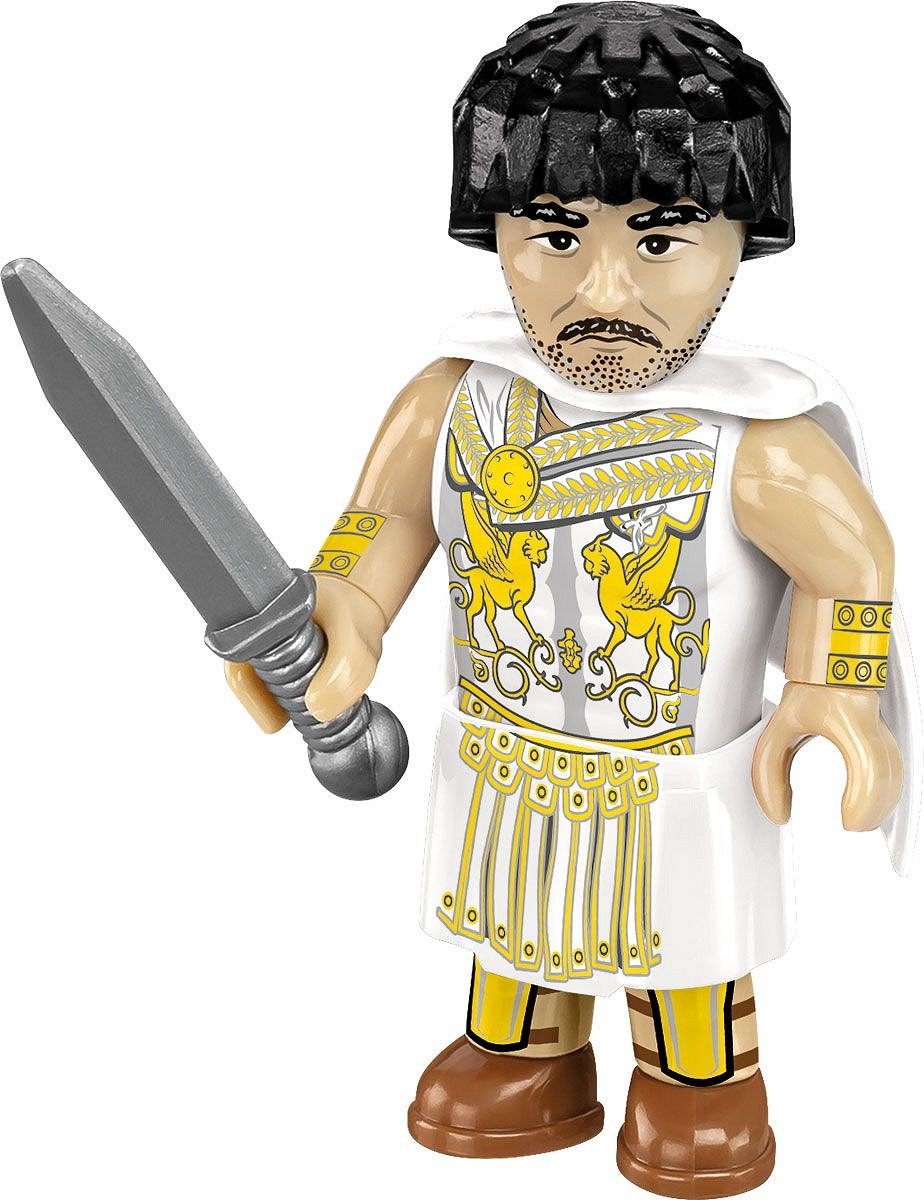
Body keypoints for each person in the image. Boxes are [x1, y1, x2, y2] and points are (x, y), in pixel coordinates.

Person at [226, 4, 919, 1194]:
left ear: (737, 239)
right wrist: (342, 611)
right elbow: (384, 521)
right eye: (554, 234)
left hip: (674, 769)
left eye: (659, 240)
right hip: (505, 748)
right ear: (494, 231)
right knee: (512, 905)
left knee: (682, 925)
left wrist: (832, 692)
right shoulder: (452, 399)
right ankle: (525, 1059)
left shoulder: (759, 438)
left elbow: (849, 564)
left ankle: (699, 1079)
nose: (603, 285)